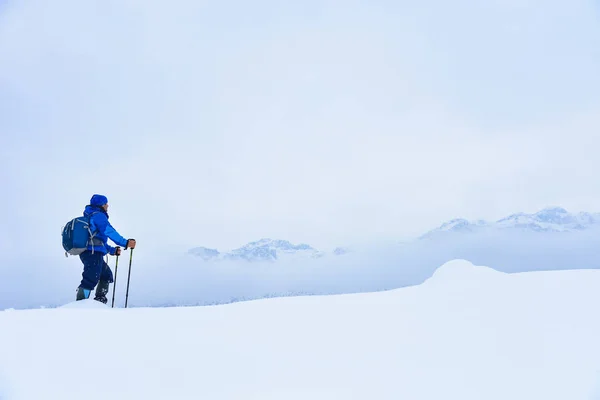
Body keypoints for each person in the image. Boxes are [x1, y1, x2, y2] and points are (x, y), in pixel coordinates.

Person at [76, 194, 136, 303]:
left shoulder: (91, 216)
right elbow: (109, 231)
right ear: (101, 205)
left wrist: (112, 250)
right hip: (92, 253)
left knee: (106, 275)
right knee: (90, 279)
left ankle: (99, 302)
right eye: (105, 203)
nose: (107, 205)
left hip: (91, 252)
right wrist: (126, 243)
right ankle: (79, 306)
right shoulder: (98, 216)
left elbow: (97, 241)